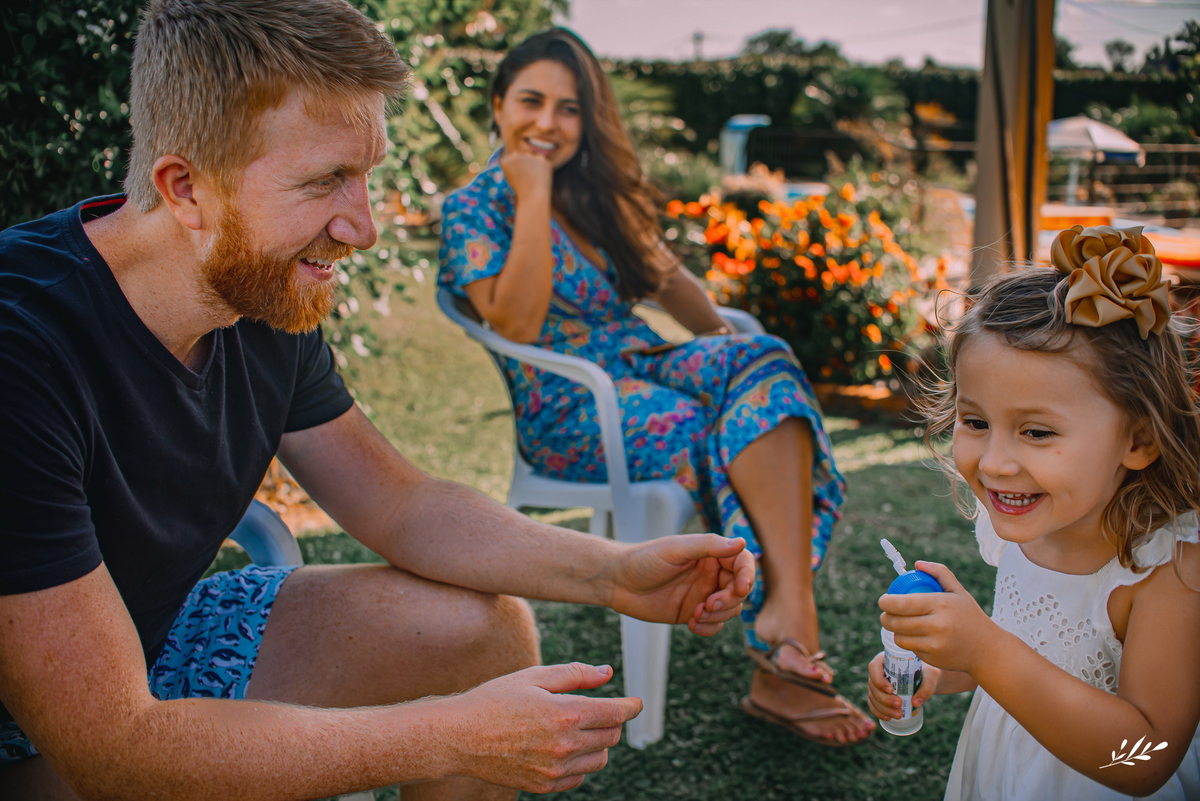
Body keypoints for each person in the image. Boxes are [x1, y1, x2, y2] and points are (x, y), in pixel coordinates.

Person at [0, 2, 757, 799]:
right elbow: (112, 747)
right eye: (327, 180)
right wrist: (443, 736)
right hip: (36, 727)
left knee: (484, 634)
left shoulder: (255, 287)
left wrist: (615, 574)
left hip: (153, 638)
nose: (361, 227)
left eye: (366, 176)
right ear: (185, 187)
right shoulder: (22, 348)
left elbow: (401, 503)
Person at [438, 27, 874, 746]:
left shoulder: (595, 197)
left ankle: (787, 618)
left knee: (762, 362)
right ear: (498, 105)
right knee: (716, 425)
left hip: (641, 363)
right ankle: (781, 661)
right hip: (573, 406)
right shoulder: (475, 209)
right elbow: (515, 322)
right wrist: (534, 195)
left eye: (570, 108)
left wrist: (731, 343)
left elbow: (669, 282)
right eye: (531, 101)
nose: (549, 122)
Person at [866, 226, 1200, 799]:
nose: (994, 463)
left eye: (1037, 431)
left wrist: (985, 650)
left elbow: (1146, 759)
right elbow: (1027, 654)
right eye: (975, 422)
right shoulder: (1030, 530)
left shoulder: (1167, 571)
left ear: (1138, 441)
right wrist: (943, 669)